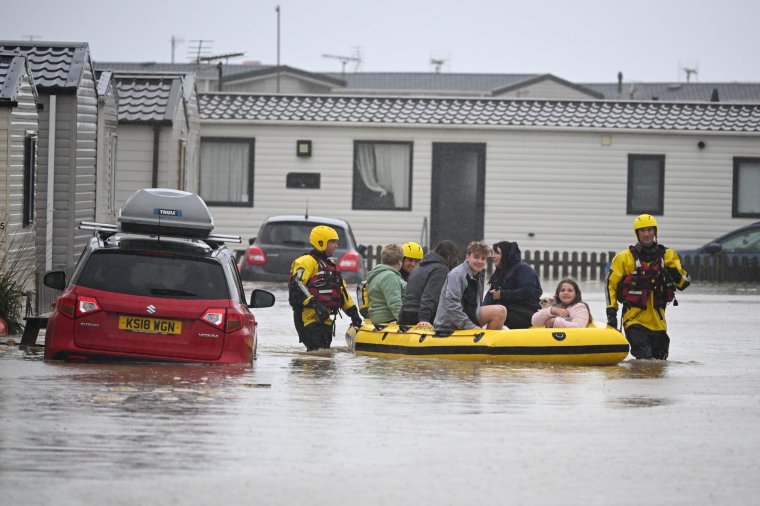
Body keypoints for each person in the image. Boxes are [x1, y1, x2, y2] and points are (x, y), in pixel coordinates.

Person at [606, 214, 690, 360]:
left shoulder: (668, 256)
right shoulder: (624, 258)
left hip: (658, 323)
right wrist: (611, 314)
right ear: (637, 233)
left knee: (659, 364)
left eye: (650, 230)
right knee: (644, 361)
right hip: (633, 320)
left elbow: (683, 283)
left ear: (655, 232)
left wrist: (674, 274)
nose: (646, 234)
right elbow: (610, 286)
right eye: (642, 230)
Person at [288, 225, 363, 351]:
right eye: (333, 242)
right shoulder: (306, 261)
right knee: (316, 354)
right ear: (321, 242)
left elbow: (341, 291)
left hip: (325, 319)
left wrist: (353, 313)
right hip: (307, 318)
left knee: (325, 357)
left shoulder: (331, 265)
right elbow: (297, 284)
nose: (336, 246)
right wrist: (315, 305)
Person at [433, 241, 506, 332]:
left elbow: (476, 303)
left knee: (501, 310)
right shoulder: (457, 274)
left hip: (467, 316)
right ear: (468, 257)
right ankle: (485, 344)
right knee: (499, 312)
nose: (480, 261)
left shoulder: (478, 275)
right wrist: (471, 326)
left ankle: (489, 342)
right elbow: (452, 306)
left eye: (483, 258)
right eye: (476, 257)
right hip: (448, 324)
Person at [482, 241, 542, 329]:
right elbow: (492, 294)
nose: (493, 256)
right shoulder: (502, 271)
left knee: (498, 314)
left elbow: (529, 291)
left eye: (497, 253)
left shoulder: (523, 269)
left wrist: (502, 294)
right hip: (507, 310)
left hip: (524, 313)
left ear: (506, 255)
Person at [398, 240, 460, 326]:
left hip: (406, 315)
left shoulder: (419, 268)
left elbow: (408, 297)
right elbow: (430, 296)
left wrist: (400, 320)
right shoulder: (441, 270)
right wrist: (424, 319)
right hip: (420, 317)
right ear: (450, 257)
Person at [366, 244, 406, 323]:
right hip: (388, 319)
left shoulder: (378, 274)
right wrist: (404, 322)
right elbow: (395, 303)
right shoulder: (390, 277)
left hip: (377, 318)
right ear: (400, 262)